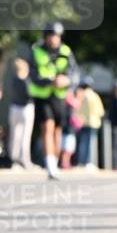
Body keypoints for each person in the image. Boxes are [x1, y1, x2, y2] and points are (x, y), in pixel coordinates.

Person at [27, 21, 78, 180]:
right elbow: (33, 75)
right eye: (50, 36)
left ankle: (54, 163)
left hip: (60, 97)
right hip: (43, 96)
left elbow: (75, 74)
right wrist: (49, 81)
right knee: (47, 128)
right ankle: (49, 164)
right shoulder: (36, 51)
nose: (52, 39)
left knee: (57, 130)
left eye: (55, 36)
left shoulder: (66, 52)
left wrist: (67, 81)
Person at [8, 57, 34, 169]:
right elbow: (30, 94)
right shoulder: (26, 81)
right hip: (25, 108)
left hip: (14, 107)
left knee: (15, 135)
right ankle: (24, 160)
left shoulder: (13, 80)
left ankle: (14, 159)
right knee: (25, 135)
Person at [77, 77, 105, 169]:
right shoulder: (93, 95)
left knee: (82, 143)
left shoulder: (81, 95)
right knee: (89, 143)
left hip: (82, 122)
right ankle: (87, 162)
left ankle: (81, 162)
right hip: (92, 122)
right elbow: (100, 111)